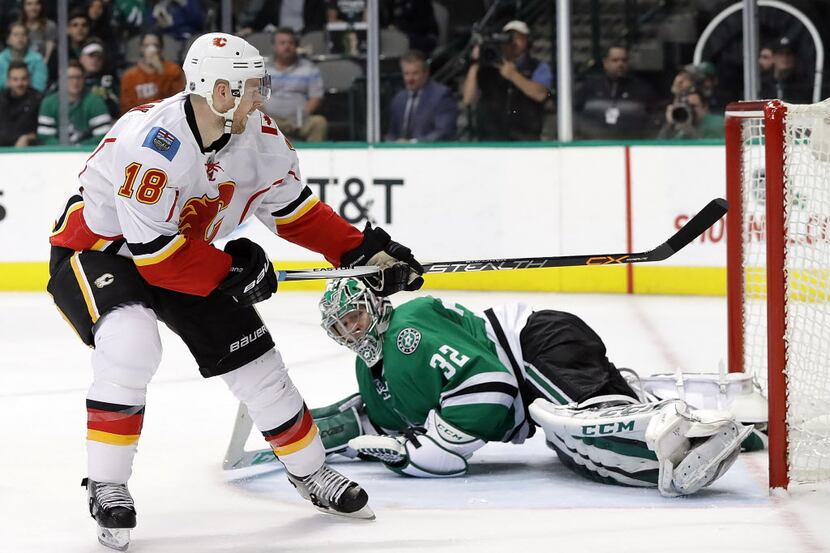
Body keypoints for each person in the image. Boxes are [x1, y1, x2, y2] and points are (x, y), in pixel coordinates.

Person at [46, 32, 423, 551]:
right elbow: (154, 257)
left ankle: (311, 473)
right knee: (131, 347)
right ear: (219, 90)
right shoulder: (153, 144)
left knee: (259, 366)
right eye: (251, 86)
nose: (259, 96)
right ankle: (108, 484)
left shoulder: (260, 138)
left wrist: (360, 254)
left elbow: (296, 213)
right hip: (101, 252)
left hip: (186, 256)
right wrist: (235, 268)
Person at [310, 278, 752, 495]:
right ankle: (726, 416)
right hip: (542, 359)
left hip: (534, 352)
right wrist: (322, 431)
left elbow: (490, 384)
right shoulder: (372, 372)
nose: (353, 332)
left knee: (584, 434)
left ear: (373, 306)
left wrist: (439, 449)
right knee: (577, 454)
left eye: (356, 317)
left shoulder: (406, 333)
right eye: (342, 327)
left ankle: (684, 440)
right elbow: (384, 418)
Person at [462, 20, 551, 141]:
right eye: (508, 37)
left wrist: (514, 76)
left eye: (518, 37)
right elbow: (468, 98)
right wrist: (475, 63)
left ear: (527, 41)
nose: (512, 42)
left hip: (525, 140)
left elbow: (541, 94)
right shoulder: (488, 67)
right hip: (490, 140)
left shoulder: (538, 67)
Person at [574, 45, 655, 139]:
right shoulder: (588, 88)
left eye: (624, 60)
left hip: (632, 145)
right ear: (605, 63)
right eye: (615, 60)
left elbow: (652, 120)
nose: (620, 64)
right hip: (593, 145)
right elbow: (574, 115)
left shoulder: (643, 90)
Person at [264, 27, 327, 142]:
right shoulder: (262, 69)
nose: (287, 46)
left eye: (291, 43)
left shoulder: (309, 68)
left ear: (296, 46)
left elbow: (316, 97)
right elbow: (254, 98)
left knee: (319, 122)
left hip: (299, 121)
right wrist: (267, 119)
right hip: (268, 120)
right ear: (274, 46)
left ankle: (314, 158)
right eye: (282, 43)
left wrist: (299, 117)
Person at [386, 49, 456, 142]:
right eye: (406, 74)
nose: (410, 79)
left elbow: (444, 132)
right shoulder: (399, 98)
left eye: (415, 73)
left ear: (426, 73)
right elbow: (392, 133)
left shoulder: (441, 96)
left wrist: (413, 144)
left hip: (432, 154)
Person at [37, 60, 112, 145]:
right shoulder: (49, 103)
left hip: (87, 154)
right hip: (57, 155)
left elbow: (103, 135)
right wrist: (62, 150)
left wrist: (78, 148)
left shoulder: (95, 102)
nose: (75, 82)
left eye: (78, 77)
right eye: (70, 78)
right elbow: (45, 137)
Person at [119, 31, 186, 114]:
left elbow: (177, 100)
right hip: (139, 119)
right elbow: (126, 107)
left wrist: (161, 72)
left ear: (161, 48)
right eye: (146, 46)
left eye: (155, 45)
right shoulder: (130, 76)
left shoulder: (172, 70)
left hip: (166, 116)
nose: (151, 50)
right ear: (141, 48)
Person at [0, 61, 42, 147]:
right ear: (8, 81)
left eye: (23, 79)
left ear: (29, 80)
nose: (20, 83)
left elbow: (43, 132)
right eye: (15, 79)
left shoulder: (38, 100)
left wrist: (27, 137)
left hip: (29, 151)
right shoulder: (1, 99)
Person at [759, 36, 812, 104]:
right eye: (781, 53)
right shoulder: (763, 85)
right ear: (773, 57)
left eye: (789, 53)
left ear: (794, 58)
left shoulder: (804, 85)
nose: (785, 57)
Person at [657, 88, 723, 140]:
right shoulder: (677, 122)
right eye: (684, 106)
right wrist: (669, 124)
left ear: (704, 107)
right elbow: (658, 148)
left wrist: (689, 129)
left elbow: (710, 150)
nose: (688, 110)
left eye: (692, 106)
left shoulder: (717, 123)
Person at [0, 22, 47, 92]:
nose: (20, 38)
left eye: (23, 34)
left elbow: (39, 87)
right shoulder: (1, 59)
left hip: (31, 99)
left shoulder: (37, 59)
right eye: (16, 35)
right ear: (8, 40)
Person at [78, 40, 119, 118]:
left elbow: (116, 109)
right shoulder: (71, 78)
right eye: (91, 56)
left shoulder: (109, 81)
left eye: (99, 57)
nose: (95, 60)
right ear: (81, 58)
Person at [18, 0, 56, 66]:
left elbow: (48, 56)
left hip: (43, 66)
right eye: (29, 4)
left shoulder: (49, 26)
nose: (33, 8)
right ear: (23, 7)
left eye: (37, 3)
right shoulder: (17, 26)